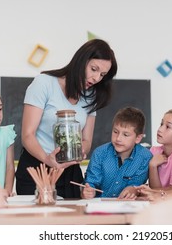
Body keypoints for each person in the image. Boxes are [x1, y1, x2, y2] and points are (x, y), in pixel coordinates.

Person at [15, 39, 118, 198]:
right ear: (81, 61)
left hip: (70, 173)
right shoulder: (44, 83)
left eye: (102, 74)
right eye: (93, 69)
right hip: (37, 169)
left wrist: (79, 151)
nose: (96, 78)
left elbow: (87, 141)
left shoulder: (91, 96)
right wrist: (48, 160)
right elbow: (27, 135)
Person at [81, 107, 152, 199]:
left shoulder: (145, 157)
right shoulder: (99, 153)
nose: (118, 138)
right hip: (100, 207)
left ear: (138, 138)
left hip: (128, 207)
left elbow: (136, 186)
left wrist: (133, 189)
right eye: (115, 132)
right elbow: (91, 183)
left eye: (125, 135)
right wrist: (88, 191)